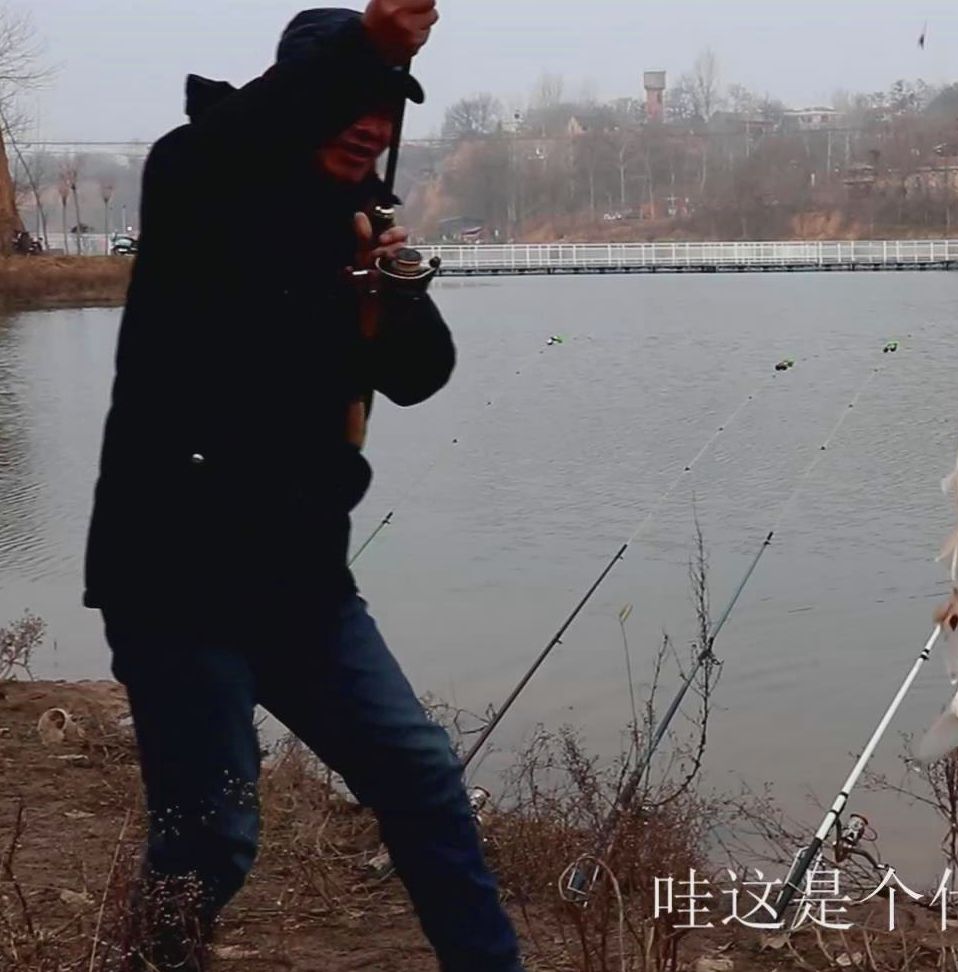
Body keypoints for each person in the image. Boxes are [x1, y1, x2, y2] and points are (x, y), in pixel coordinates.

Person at [82, 3, 524, 970]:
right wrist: (377, 46)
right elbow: (243, 143)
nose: (372, 122)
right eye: (350, 100)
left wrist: (391, 293)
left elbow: (421, 375)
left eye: (387, 107)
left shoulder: (360, 227)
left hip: (304, 582)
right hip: (174, 578)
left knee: (420, 776)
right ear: (292, 101)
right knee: (212, 835)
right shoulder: (197, 181)